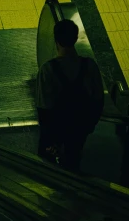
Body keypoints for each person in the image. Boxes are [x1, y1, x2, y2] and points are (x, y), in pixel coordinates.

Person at [36, 19, 105, 172]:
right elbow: (99, 99)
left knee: (50, 164)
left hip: (57, 128)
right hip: (80, 127)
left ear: (56, 40)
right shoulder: (90, 66)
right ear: (75, 39)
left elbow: (43, 107)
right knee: (74, 156)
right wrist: (89, 125)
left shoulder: (47, 69)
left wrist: (49, 137)